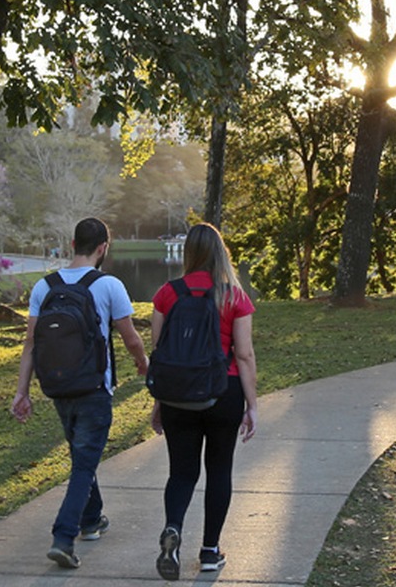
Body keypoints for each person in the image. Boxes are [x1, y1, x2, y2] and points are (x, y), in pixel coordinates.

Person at [12, 217, 150, 569]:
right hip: (94, 387)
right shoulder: (109, 285)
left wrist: (22, 392)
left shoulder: (45, 287)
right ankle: (63, 535)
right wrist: (144, 364)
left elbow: (30, 344)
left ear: (73, 245)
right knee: (85, 461)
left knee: (82, 457)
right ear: (103, 247)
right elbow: (130, 337)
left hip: (58, 387)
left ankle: (92, 520)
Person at [149, 223, 261, 580]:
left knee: (181, 472)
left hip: (178, 394)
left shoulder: (167, 293)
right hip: (222, 391)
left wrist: (159, 402)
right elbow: (243, 355)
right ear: (220, 252)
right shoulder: (233, 297)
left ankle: (173, 528)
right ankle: (210, 551)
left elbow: (159, 352)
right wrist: (252, 404)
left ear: (189, 254)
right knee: (219, 470)